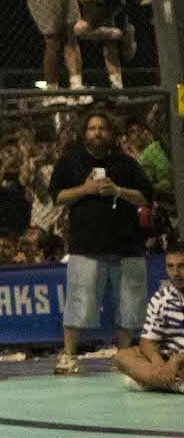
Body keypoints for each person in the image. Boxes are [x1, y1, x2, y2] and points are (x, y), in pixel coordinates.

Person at [52, 110, 152, 375]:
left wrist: (118, 190)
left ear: (111, 133)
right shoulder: (70, 162)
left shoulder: (126, 163)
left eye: (103, 128)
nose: (97, 133)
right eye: (92, 128)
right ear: (85, 133)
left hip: (127, 245)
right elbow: (58, 196)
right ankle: (68, 355)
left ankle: (123, 356)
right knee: (78, 302)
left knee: (130, 304)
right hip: (86, 246)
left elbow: (145, 196)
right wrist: (85, 189)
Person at [112, 244, 184, 393]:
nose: (175, 273)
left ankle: (153, 382)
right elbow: (147, 341)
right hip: (168, 359)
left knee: (136, 377)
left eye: (182, 266)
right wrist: (158, 363)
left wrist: (179, 359)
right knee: (122, 356)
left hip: (179, 360)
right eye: (170, 266)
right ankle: (172, 383)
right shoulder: (160, 299)